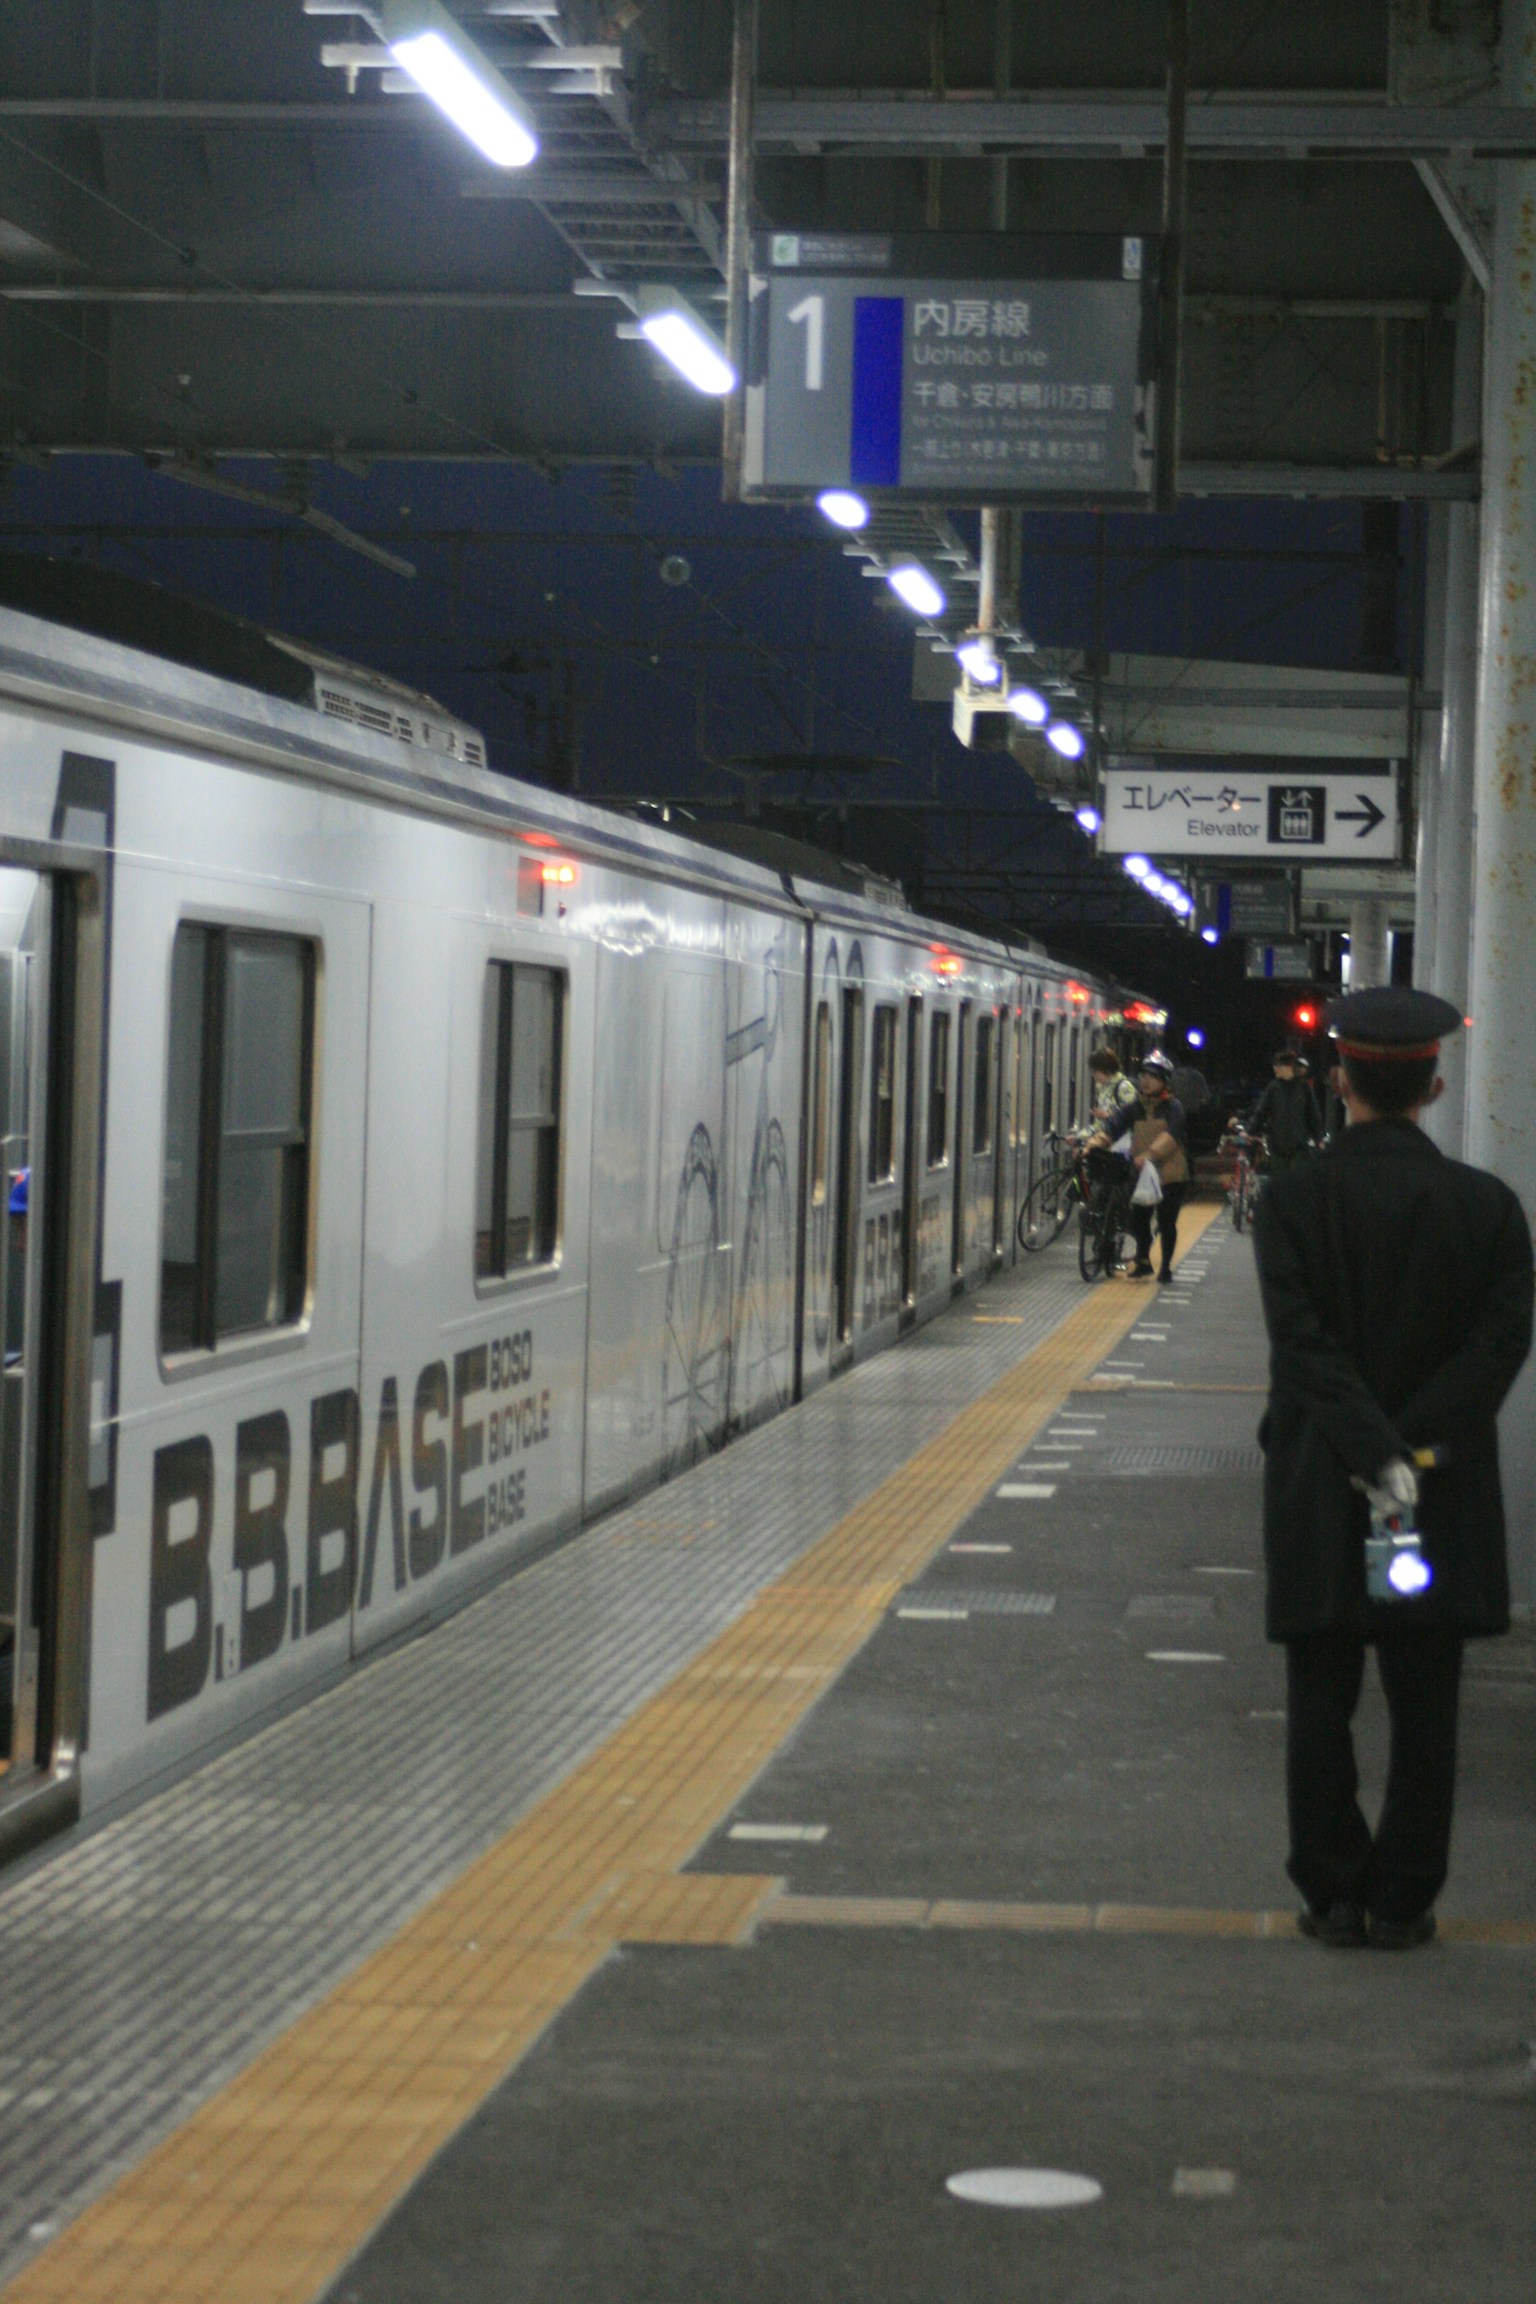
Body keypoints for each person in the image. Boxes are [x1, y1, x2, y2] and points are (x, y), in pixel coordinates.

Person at [1252, 987, 1533, 1951]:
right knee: (1428, 1703)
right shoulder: (1490, 1211)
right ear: (1435, 1084)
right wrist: (1412, 1454)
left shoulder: (1291, 1203)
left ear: (1340, 1081)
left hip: (1323, 1491)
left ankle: (1331, 1893)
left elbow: (1302, 1347)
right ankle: (1404, 1899)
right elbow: (1493, 1356)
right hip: (1438, 1495)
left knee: (1321, 1698)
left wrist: (1370, 1453)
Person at [1097, 1051, 1188, 1282]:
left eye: (1153, 1077)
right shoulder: (1136, 1107)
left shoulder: (1173, 1107)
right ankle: (1144, 1260)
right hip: (1141, 1174)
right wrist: (1094, 1142)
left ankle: (1166, 1266)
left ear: (1164, 1081)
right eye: (1144, 1075)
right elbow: (1114, 1125)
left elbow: (1171, 1136)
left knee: (1167, 1222)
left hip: (1170, 1174)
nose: (1146, 1081)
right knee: (1138, 1220)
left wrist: (1149, 1153)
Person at [1245, 1048, 1324, 1178]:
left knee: (1296, 1185)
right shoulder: (1273, 1088)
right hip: (1277, 1148)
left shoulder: (1304, 1088)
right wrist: (1250, 1131)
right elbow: (1260, 1113)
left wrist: (1319, 1138)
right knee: (1279, 1185)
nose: (1275, 1069)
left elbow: (1313, 1115)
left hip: (1299, 1148)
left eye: (1278, 1066)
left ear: (1288, 1067)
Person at [1087, 1043, 1138, 1129]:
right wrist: (1080, 1137)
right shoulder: (1104, 1088)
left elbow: (1133, 1120)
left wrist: (1107, 1116)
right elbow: (1099, 1125)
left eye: (1095, 1072)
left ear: (1104, 1069)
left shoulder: (1124, 1087)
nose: (1094, 1077)